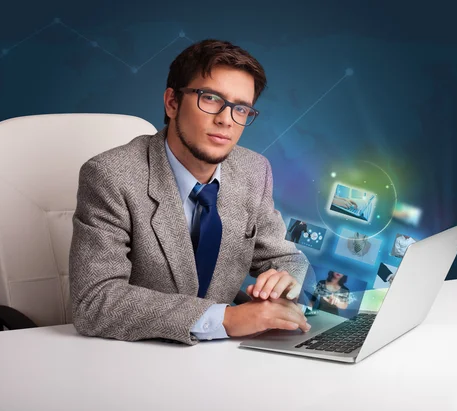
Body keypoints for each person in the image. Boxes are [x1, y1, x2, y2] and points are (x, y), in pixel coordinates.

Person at [69, 39, 311, 346]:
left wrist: (285, 282)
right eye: (210, 98)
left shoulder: (254, 171)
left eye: (241, 108)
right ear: (172, 102)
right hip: (132, 357)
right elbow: (94, 300)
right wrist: (225, 319)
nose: (226, 119)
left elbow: (287, 258)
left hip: (217, 362)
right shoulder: (111, 176)